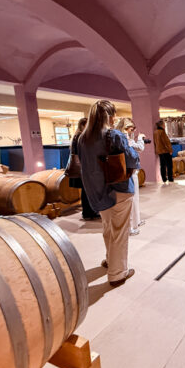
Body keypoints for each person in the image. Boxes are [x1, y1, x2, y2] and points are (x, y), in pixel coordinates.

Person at [78, 100, 140, 287]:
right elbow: (132, 160)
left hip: (96, 191)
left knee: (107, 228)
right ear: (109, 117)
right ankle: (117, 273)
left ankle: (109, 259)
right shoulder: (114, 135)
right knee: (119, 231)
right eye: (113, 115)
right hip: (118, 188)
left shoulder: (82, 139)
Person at [116, 117, 146, 236]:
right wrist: (140, 139)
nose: (132, 131)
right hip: (129, 171)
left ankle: (136, 222)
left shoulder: (120, 137)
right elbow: (137, 151)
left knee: (134, 198)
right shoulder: (123, 138)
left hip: (128, 170)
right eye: (131, 129)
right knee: (130, 199)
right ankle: (131, 225)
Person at [69, 118, 100, 220]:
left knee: (86, 190)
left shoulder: (78, 136)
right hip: (84, 167)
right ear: (82, 125)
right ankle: (89, 212)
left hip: (84, 167)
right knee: (87, 191)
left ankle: (89, 211)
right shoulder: (81, 137)